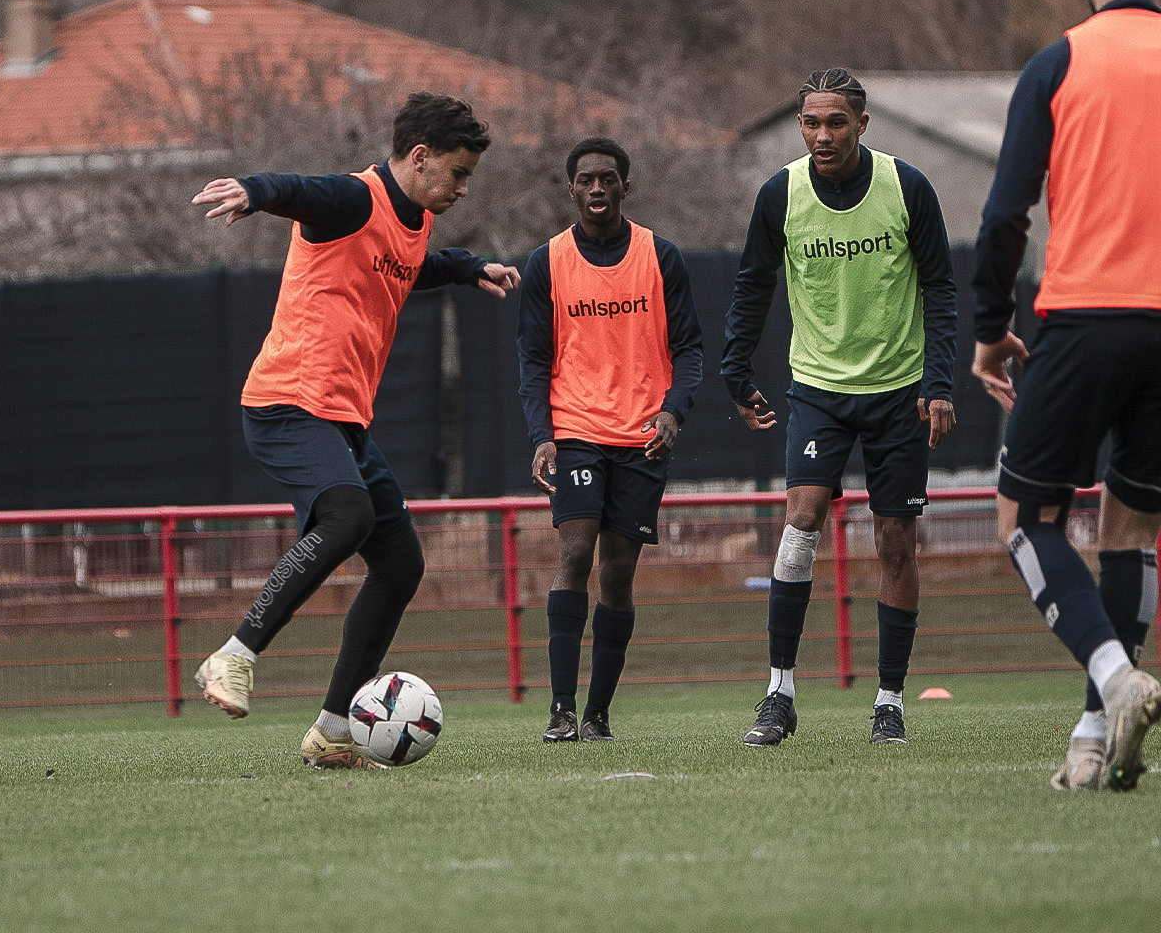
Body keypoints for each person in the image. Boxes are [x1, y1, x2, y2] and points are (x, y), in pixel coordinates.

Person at [190, 92, 522, 768]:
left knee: (401, 565)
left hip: (342, 419)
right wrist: (252, 191)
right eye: (457, 173)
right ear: (420, 157)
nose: (463, 187)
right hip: (287, 403)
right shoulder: (353, 199)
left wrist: (467, 267)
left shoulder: (413, 222)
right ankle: (234, 654)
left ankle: (334, 729)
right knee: (348, 516)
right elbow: (299, 191)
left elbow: (412, 268)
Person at [972, 0, 1161, 792]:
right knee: (1134, 528)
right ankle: (1093, 740)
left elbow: (1005, 214)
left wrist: (988, 328)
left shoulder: (1059, 63)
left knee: (1023, 519)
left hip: (1086, 318)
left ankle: (1117, 683)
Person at [722, 68, 957, 747]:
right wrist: (735, 370)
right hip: (819, 390)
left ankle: (889, 702)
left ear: (861, 124)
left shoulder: (907, 187)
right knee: (800, 524)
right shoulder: (781, 193)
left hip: (898, 391)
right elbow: (753, 284)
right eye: (810, 122)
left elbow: (941, 288)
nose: (822, 135)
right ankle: (779, 694)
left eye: (835, 122)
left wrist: (939, 384)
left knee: (894, 543)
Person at [516, 137, 703, 743]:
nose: (597, 188)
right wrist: (543, 436)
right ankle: (561, 711)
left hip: (642, 436)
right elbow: (534, 361)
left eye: (608, 179)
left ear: (626, 186)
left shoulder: (660, 255)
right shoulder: (547, 262)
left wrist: (672, 413)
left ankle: (598, 715)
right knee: (574, 554)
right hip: (575, 431)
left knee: (618, 573)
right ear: (570, 189)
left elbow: (689, 351)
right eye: (586, 180)